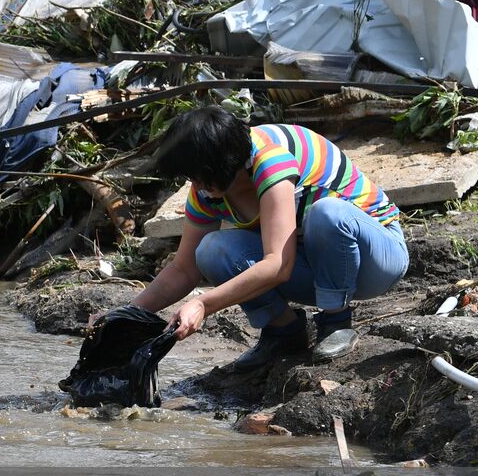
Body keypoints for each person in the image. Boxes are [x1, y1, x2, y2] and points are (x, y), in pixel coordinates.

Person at [127, 106, 408, 378]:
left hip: (376, 259)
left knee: (326, 213)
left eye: (200, 177)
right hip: (314, 267)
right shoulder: (208, 190)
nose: (196, 187)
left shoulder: (272, 159)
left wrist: (203, 304)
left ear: (223, 163)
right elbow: (184, 269)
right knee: (212, 249)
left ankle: (336, 320)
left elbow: (279, 265)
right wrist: (125, 315)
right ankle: (283, 330)